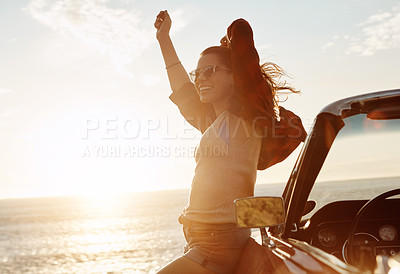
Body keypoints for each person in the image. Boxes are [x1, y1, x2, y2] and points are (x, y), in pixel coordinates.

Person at [154, 10, 306, 274]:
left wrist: (229, 45)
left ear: (235, 76)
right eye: (198, 74)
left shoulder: (245, 120)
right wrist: (164, 39)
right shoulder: (214, 122)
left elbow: (241, 31)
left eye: (210, 71)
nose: (201, 79)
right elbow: (182, 90)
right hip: (201, 241)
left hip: (218, 244)